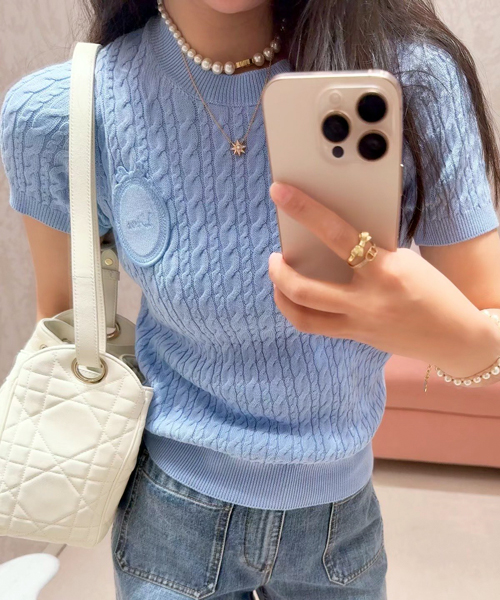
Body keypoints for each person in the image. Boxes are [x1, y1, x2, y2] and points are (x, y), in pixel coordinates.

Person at [2, 0, 500, 598]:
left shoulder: (411, 78)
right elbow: (65, 334)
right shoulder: (65, 113)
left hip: (338, 526)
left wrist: (453, 336)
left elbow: (487, 320)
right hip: (169, 523)